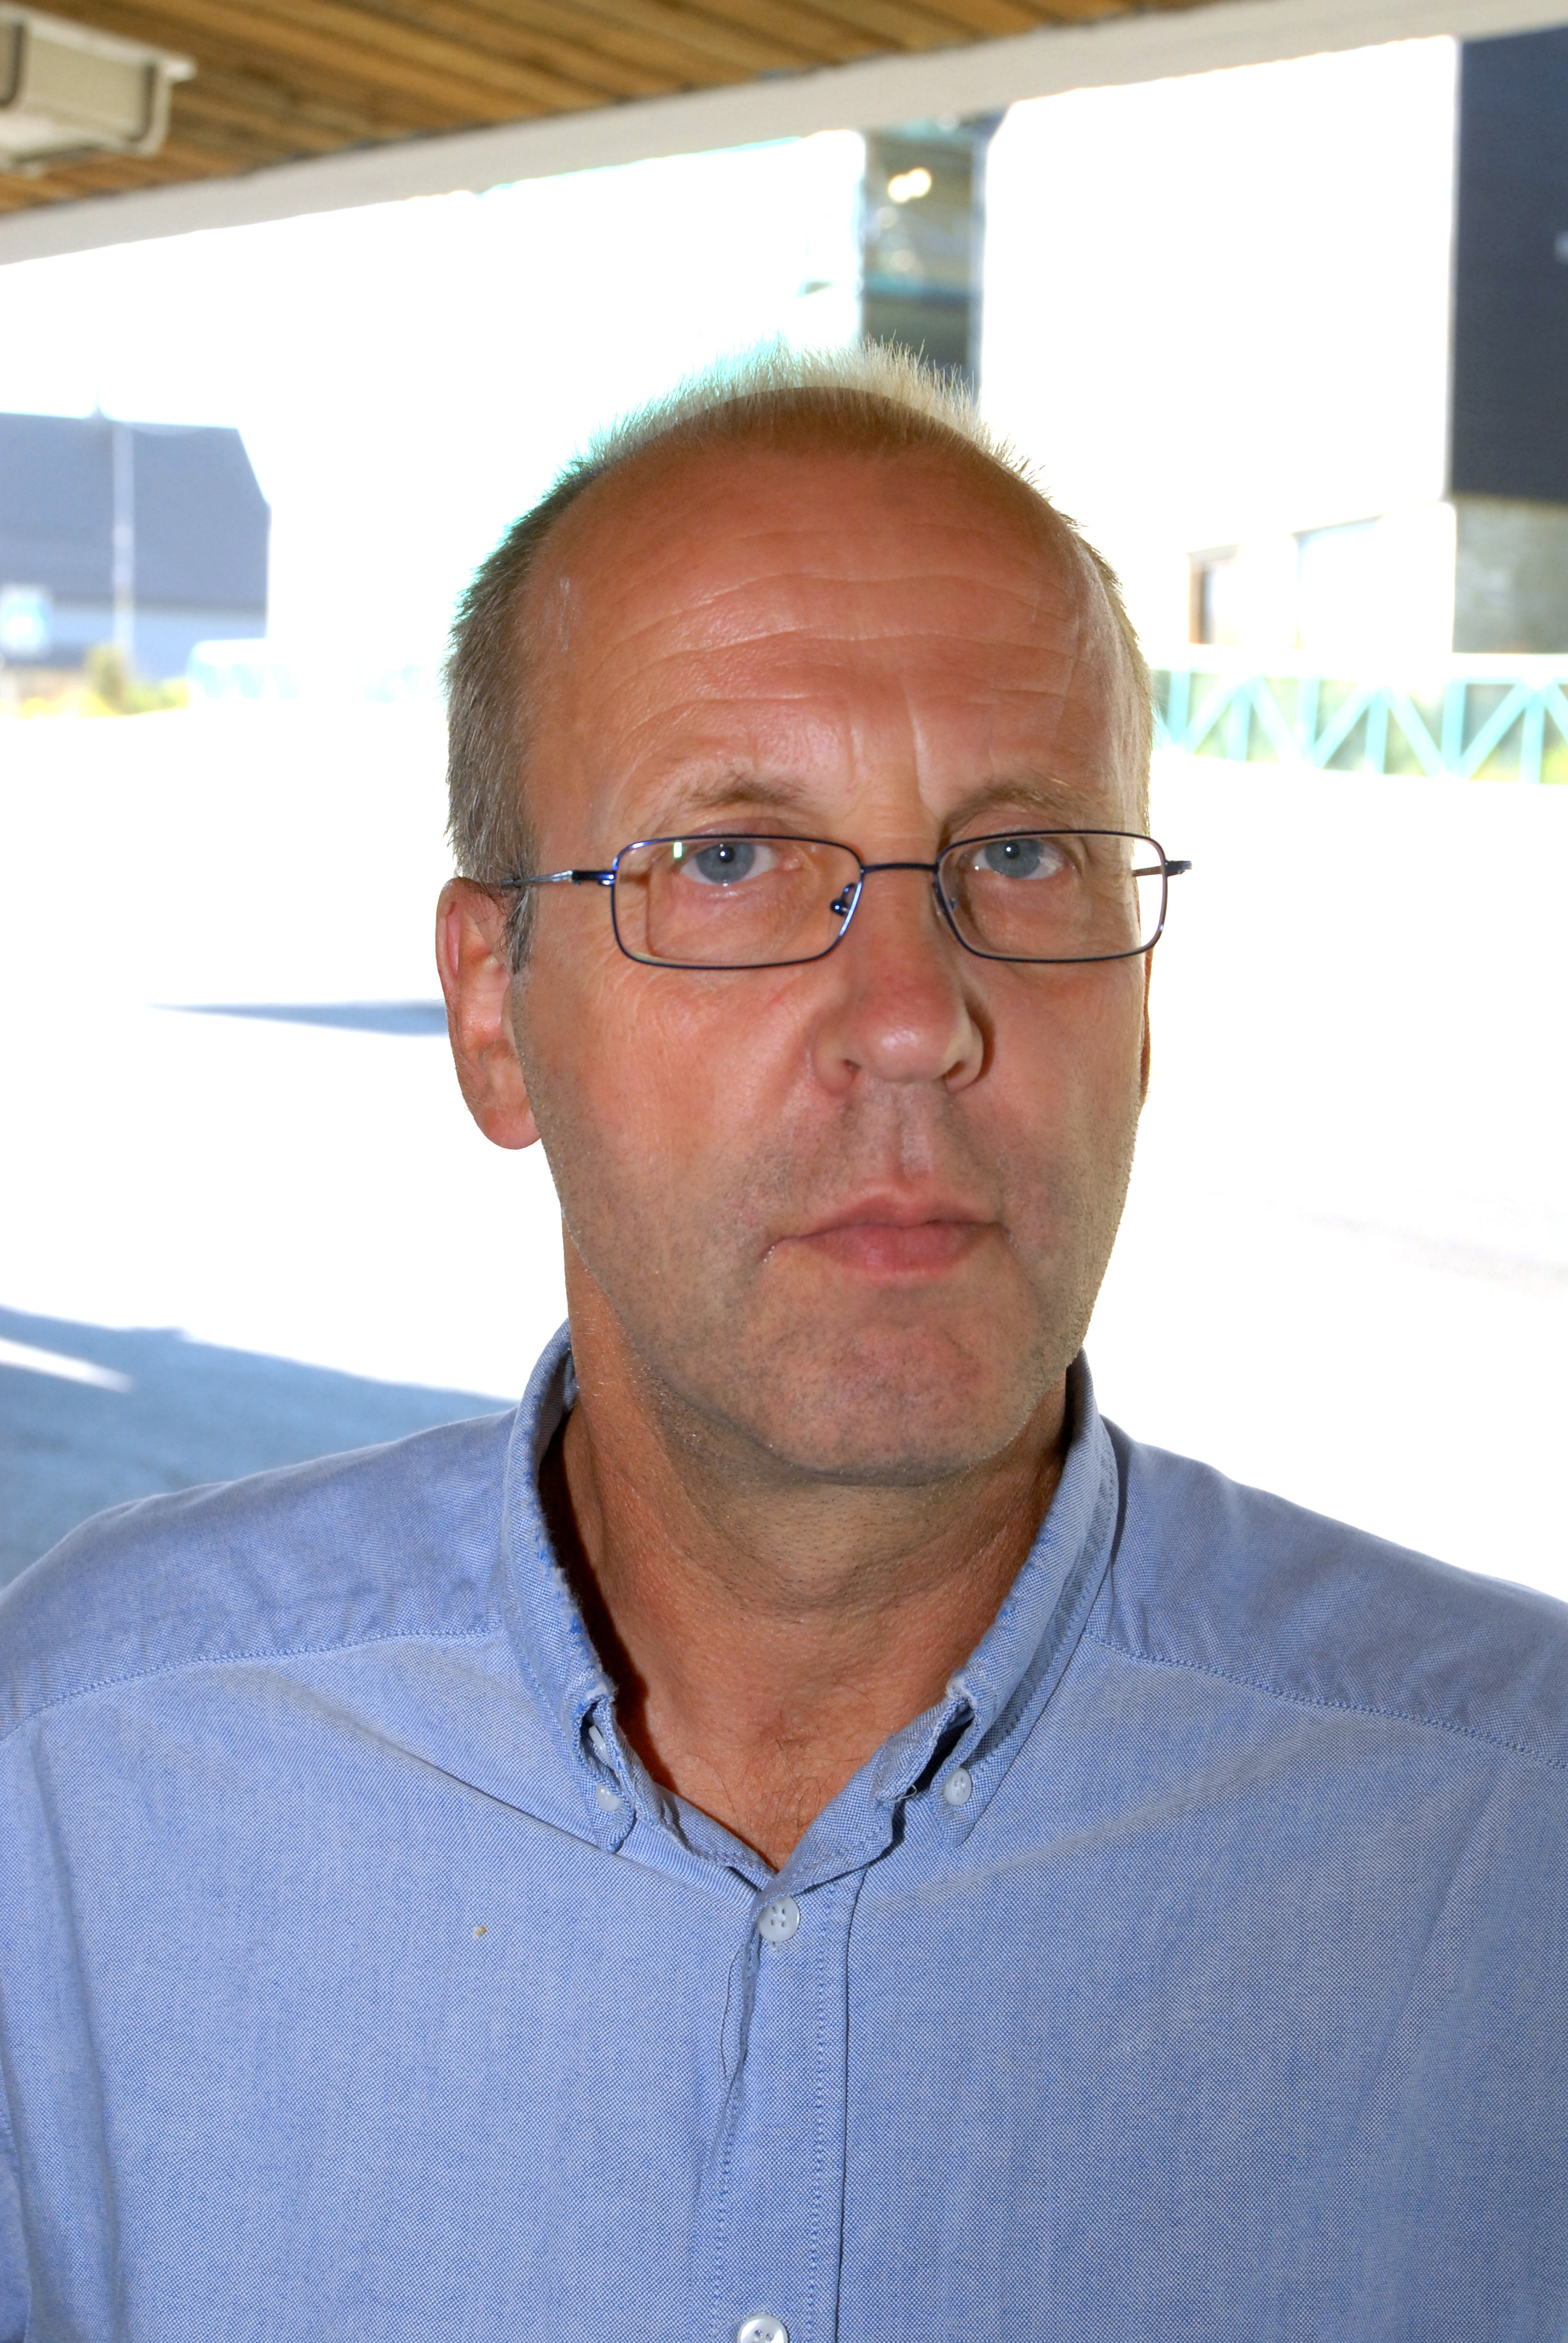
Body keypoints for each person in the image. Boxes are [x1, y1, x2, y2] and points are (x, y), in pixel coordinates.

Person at [2, 347, 1565, 2343]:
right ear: (494, 1012)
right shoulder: (78, 1792)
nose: (916, 1017)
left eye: (1023, 855)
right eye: (728, 859)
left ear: (1145, 1013)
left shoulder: (1517, 1852)